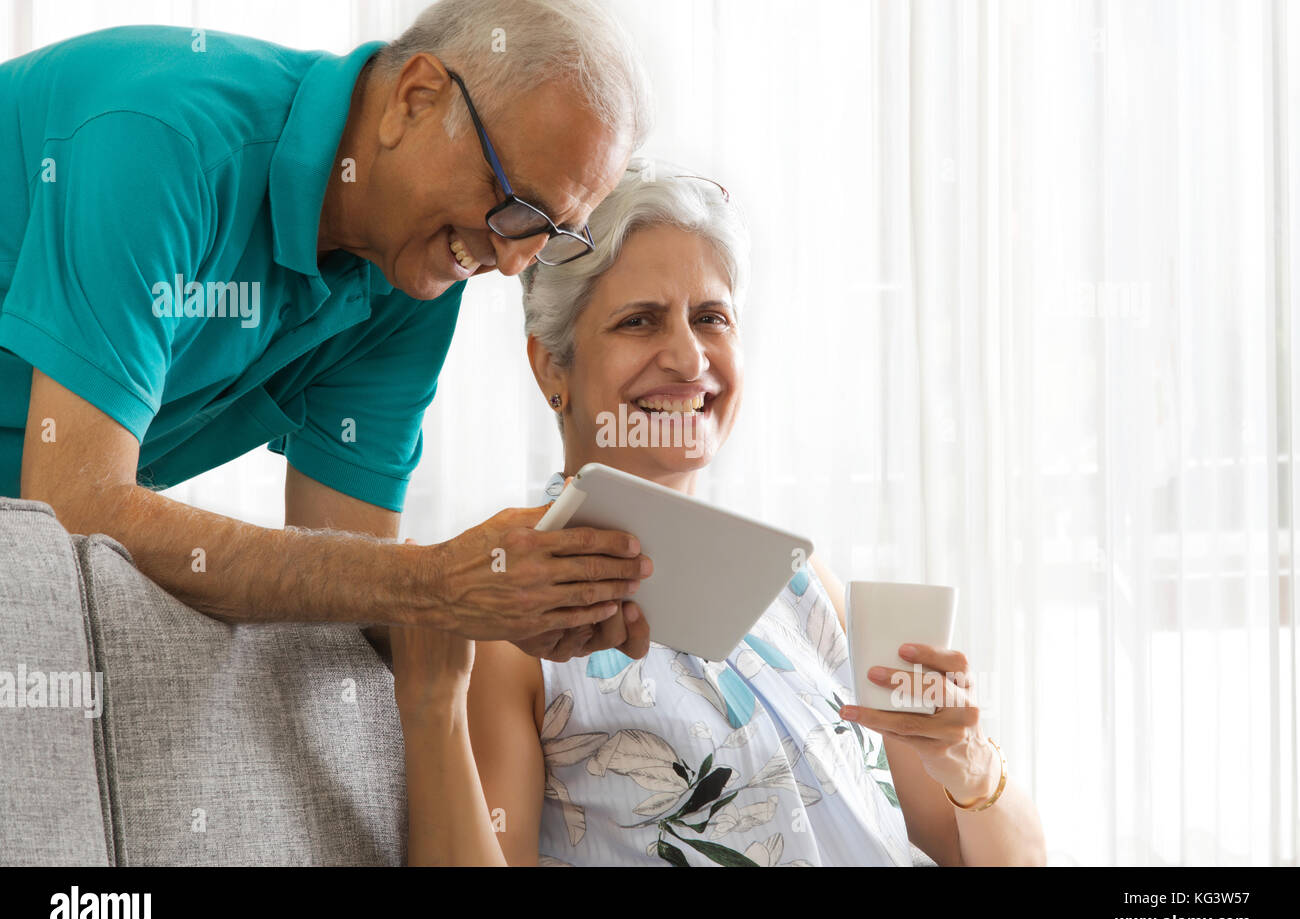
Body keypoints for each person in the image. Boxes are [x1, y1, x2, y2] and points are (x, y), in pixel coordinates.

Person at [391, 164, 1048, 865]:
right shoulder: (514, 614)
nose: (687, 357)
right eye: (639, 321)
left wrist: (969, 763)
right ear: (552, 366)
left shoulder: (796, 582)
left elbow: (984, 854)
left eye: (711, 318)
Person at [0, 0, 656, 662]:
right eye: (516, 205)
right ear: (416, 97)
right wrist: (434, 581)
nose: (511, 262)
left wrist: (511, 605)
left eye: (549, 235)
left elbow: (354, 587)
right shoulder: (162, 139)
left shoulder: (411, 275)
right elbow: (72, 513)